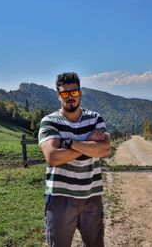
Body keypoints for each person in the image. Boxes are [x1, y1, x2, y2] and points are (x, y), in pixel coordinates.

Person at [38, 72, 111, 247]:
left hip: (92, 195)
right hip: (60, 198)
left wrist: (70, 144)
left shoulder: (95, 119)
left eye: (74, 92)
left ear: (80, 93)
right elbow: (53, 157)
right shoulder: (49, 122)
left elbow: (105, 149)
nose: (70, 97)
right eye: (65, 93)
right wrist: (88, 144)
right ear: (58, 95)